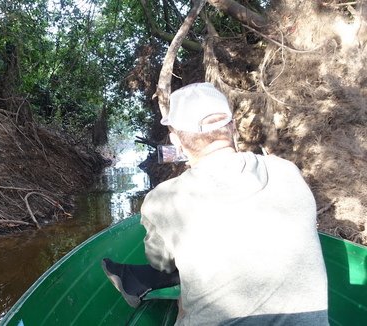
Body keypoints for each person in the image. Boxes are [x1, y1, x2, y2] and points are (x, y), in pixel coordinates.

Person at [101, 82, 329, 325]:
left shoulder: (163, 199)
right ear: (231, 128)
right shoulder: (286, 171)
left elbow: (161, 264)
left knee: (180, 288)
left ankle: (135, 283)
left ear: (176, 141)